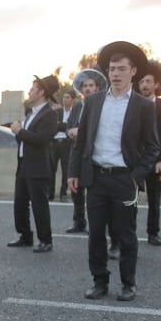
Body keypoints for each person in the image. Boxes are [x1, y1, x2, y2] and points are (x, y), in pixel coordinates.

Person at [68, 41, 161, 302]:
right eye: (111, 69)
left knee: (126, 234)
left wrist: (136, 176)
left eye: (121, 69)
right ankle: (99, 281)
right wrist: (73, 172)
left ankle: (128, 283)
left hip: (124, 178)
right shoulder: (94, 101)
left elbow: (153, 147)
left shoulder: (143, 106)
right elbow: (82, 139)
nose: (116, 74)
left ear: (133, 72)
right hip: (96, 177)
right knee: (96, 233)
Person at [8, 74, 60, 253]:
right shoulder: (30, 114)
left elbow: (42, 139)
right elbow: (24, 139)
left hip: (38, 167)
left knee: (39, 204)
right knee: (20, 202)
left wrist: (19, 131)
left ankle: (46, 240)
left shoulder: (49, 115)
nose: (29, 92)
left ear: (42, 92)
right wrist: (19, 133)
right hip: (24, 163)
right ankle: (25, 235)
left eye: (32, 89)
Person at [136, 60, 161, 246]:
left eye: (148, 81)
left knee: (154, 198)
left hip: (156, 160)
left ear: (156, 84)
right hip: (135, 159)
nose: (144, 85)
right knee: (130, 199)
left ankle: (153, 233)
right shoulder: (132, 104)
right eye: (142, 82)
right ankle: (126, 234)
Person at [65, 68, 104, 234]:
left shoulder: (101, 105)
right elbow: (69, 127)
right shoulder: (78, 106)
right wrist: (71, 131)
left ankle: (97, 225)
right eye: (85, 86)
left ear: (96, 87)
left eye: (91, 85)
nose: (87, 88)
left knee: (94, 193)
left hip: (93, 154)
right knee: (76, 190)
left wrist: (82, 132)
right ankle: (79, 222)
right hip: (76, 152)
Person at [53, 89, 80, 203]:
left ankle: (63, 193)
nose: (65, 100)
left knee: (66, 170)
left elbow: (71, 127)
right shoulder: (58, 112)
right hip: (54, 143)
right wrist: (64, 126)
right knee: (51, 169)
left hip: (66, 143)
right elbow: (54, 126)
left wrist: (62, 126)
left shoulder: (75, 112)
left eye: (68, 97)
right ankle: (50, 193)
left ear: (73, 99)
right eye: (64, 97)